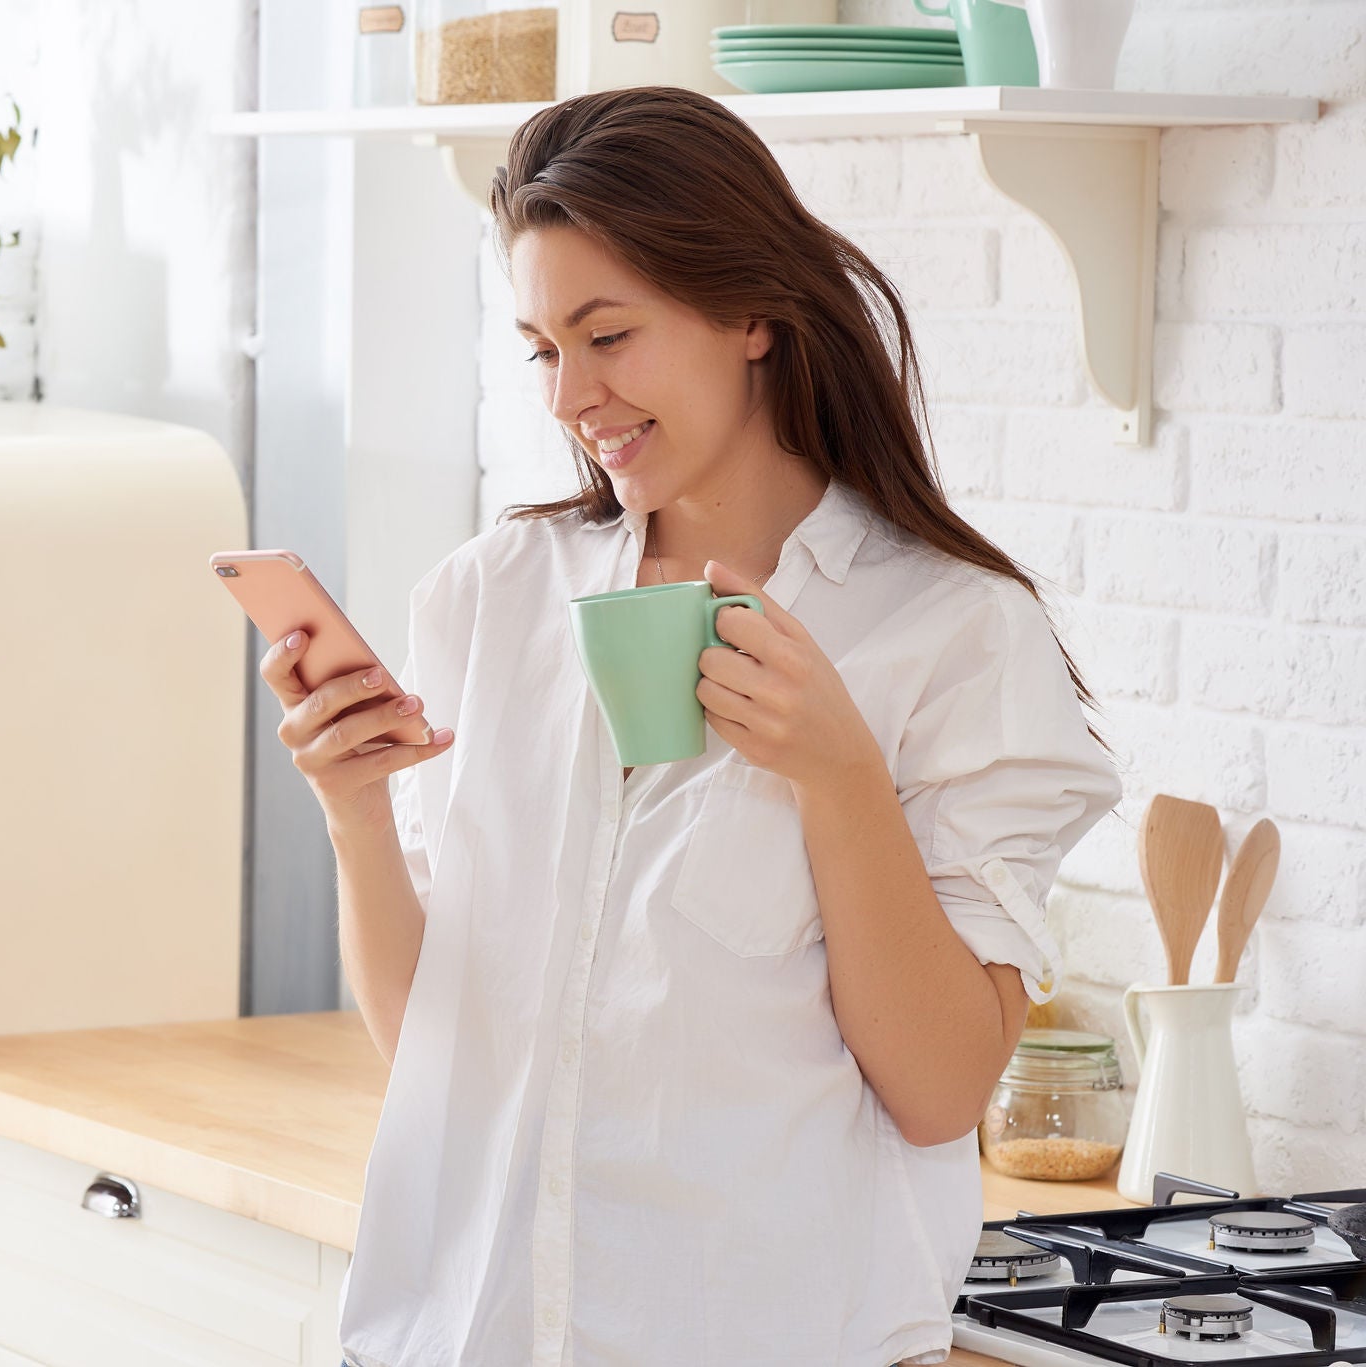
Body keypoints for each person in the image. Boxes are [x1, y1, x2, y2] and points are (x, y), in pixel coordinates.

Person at [260, 86, 1125, 1366]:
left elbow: (941, 1087)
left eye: (607, 334)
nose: (570, 395)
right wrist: (353, 816)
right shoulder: (493, 596)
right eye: (542, 348)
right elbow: (438, 1055)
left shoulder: (946, 632)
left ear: (749, 312)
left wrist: (836, 776)